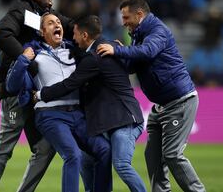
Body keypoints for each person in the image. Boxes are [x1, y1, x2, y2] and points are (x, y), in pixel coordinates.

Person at [97, 0, 206, 192]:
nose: (123, 22)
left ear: (139, 15)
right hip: (160, 106)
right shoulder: (138, 34)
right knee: (153, 156)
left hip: (179, 101)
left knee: (172, 155)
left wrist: (120, 50)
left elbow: (147, 52)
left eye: (126, 17)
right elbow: (132, 66)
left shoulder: (158, 30)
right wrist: (118, 54)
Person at [0, 0, 73, 192]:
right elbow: (1, 34)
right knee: (4, 150)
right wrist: (25, 58)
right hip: (16, 89)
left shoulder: (46, 15)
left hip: (35, 93)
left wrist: (91, 33)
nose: (51, 1)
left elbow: (70, 25)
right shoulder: (21, 12)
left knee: (45, 148)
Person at [37, 15, 147, 192]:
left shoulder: (94, 57)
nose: (73, 39)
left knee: (122, 165)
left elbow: (70, 84)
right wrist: (120, 48)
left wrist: (41, 93)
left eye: (75, 34)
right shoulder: (109, 47)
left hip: (124, 119)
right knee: (87, 159)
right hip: (112, 120)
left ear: (85, 35)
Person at [6, 13, 112, 192]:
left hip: (78, 115)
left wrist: (115, 46)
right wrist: (23, 59)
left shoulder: (75, 50)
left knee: (105, 150)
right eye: (50, 23)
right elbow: (11, 85)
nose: (57, 25)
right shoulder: (34, 54)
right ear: (41, 32)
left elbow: (95, 47)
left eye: (58, 22)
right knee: (73, 155)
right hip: (51, 115)